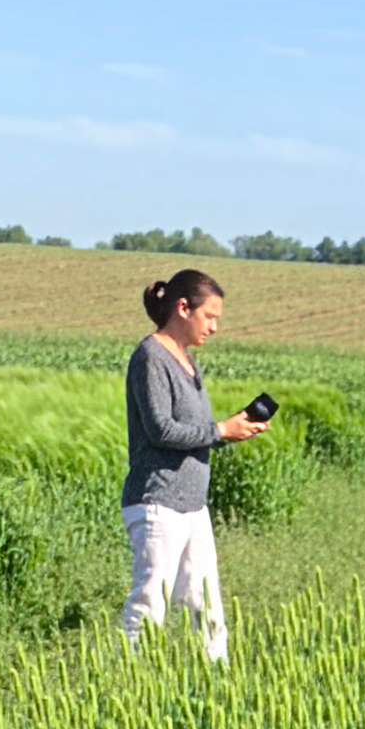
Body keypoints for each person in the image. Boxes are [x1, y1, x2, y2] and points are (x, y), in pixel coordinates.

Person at [122, 268, 266, 661]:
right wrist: (220, 429)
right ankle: (132, 683)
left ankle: (218, 681)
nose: (215, 327)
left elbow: (194, 432)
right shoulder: (150, 356)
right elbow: (161, 431)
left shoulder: (187, 362)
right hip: (157, 501)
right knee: (151, 601)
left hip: (192, 504)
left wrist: (231, 430)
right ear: (183, 308)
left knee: (206, 604)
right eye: (210, 316)